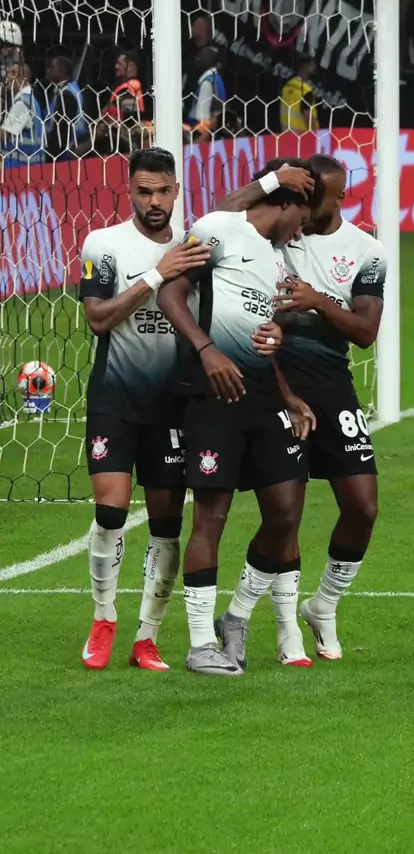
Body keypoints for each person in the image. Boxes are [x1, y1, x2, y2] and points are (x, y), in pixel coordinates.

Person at [216, 155, 386, 663]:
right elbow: (224, 214)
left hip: (333, 386)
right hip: (275, 381)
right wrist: (271, 183)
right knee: (285, 514)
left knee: (363, 506)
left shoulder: (366, 251)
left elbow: (365, 332)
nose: (306, 207)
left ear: (340, 197)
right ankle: (280, 626)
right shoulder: (275, 233)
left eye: (317, 198)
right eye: (302, 196)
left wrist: (318, 301)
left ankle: (324, 606)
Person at [157, 182, 315, 676]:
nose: (301, 231)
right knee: (211, 516)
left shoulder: (278, 262)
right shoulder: (220, 229)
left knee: (285, 515)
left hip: (264, 397)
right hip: (213, 396)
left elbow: (261, 333)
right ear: (285, 203)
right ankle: (200, 645)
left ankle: (237, 615)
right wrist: (207, 350)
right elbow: (170, 293)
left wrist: (285, 384)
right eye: (302, 219)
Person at [78, 147, 211, 672]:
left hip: (174, 407)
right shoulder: (104, 244)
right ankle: (104, 618)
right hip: (114, 398)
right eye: (143, 192)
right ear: (129, 192)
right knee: (110, 511)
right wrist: (156, 275)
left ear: (176, 191)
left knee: (166, 525)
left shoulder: (198, 248)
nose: (154, 201)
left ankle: (146, 638)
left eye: (162, 191)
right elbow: (97, 319)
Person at [0, 60, 44, 168]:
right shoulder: (30, 99)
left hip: (19, 166)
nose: (8, 77)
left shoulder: (22, 103)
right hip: (28, 165)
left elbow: (4, 135)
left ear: (24, 78)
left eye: (13, 73)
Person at [44, 55, 89, 160]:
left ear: (61, 72)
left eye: (52, 67)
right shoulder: (69, 89)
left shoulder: (66, 94)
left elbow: (62, 127)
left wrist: (52, 153)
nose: (48, 71)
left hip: (66, 152)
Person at [183, 45, 226, 143]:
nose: (197, 59)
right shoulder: (217, 79)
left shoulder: (207, 83)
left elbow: (202, 118)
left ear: (210, 61)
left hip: (200, 132)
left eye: (201, 57)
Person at [280, 54, 319, 134]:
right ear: (305, 66)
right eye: (312, 64)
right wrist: (316, 134)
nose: (315, 66)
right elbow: (307, 115)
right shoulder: (305, 90)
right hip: (302, 136)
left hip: (286, 135)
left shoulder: (287, 87)